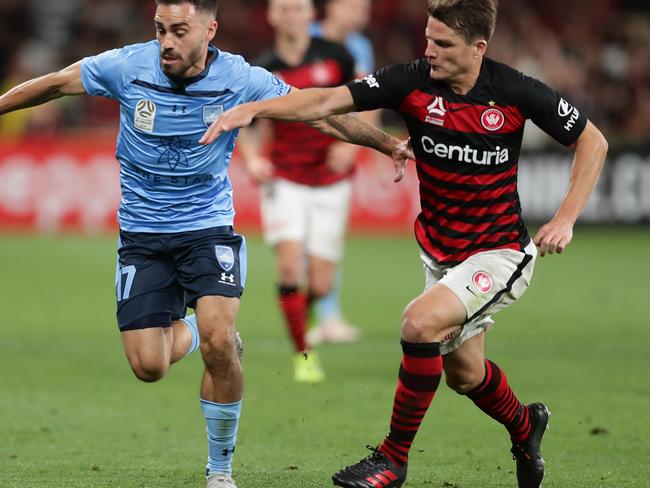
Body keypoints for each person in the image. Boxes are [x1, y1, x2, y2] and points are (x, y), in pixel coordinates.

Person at [0, 1, 412, 487]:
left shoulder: (241, 78)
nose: (167, 42)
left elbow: (317, 113)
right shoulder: (126, 66)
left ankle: (220, 472)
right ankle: (196, 331)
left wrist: (384, 142)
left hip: (207, 228)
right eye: (160, 30)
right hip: (143, 236)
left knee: (221, 343)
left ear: (209, 30)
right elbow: (51, 83)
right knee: (148, 366)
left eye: (179, 30)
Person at [200, 0, 609, 487]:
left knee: (418, 324)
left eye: (443, 44)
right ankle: (526, 426)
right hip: (439, 251)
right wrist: (254, 110)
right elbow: (324, 101)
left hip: (499, 253)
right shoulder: (411, 81)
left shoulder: (515, 91)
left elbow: (593, 141)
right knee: (465, 375)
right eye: (428, 39)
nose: (429, 50)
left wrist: (565, 219)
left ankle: (392, 459)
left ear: (478, 48)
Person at [237, 0, 359, 383]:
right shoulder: (263, 66)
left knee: (320, 285)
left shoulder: (337, 57)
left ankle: (301, 323)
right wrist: (254, 158)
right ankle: (303, 353)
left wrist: (351, 145)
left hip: (330, 180)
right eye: (283, 8)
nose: (291, 14)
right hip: (285, 178)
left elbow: (367, 103)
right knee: (290, 267)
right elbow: (245, 119)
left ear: (311, 15)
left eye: (298, 8)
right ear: (271, 16)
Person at [305, 0, 376, 345]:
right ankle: (310, 317)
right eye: (354, 5)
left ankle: (327, 316)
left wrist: (354, 146)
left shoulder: (361, 46)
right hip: (301, 154)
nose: (360, 12)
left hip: (336, 155)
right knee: (303, 243)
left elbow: (371, 99)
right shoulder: (305, 37)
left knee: (328, 239)